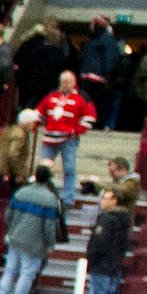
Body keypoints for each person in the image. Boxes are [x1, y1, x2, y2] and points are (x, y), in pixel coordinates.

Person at [0, 166, 64, 294]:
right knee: (27, 273)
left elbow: (8, 215)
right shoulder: (50, 199)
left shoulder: (21, 192)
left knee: (10, 270)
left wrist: (13, 230)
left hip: (15, 238)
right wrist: (50, 243)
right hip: (35, 244)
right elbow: (49, 227)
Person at [35, 71, 96, 207]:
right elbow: (40, 112)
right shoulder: (51, 96)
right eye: (63, 82)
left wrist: (77, 131)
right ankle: (41, 195)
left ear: (74, 82)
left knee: (69, 169)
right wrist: (35, 121)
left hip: (69, 139)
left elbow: (90, 118)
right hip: (49, 138)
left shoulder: (82, 97)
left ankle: (68, 198)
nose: (65, 85)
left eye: (68, 82)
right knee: (43, 169)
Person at [86, 187, 131, 294]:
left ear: (114, 201)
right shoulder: (124, 219)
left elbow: (100, 243)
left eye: (105, 198)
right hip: (115, 264)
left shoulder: (107, 219)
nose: (102, 201)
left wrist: (91, 259)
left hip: (102, 264)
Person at [0, 108, 38, 198]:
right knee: (12, 196)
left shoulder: (11, 129)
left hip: (0, 167)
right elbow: (14, 155)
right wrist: (20, 174)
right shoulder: (20, 135)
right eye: (33, 123)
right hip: (8, 170)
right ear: (28, 123)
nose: (34, 125)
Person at [77, 16, 123, 115]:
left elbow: (110, 60)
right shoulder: (99, 40)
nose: (90, 27)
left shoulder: (101, 40)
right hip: (91, 78)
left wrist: (106, 75)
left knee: (94, 106)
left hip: (95, 79)